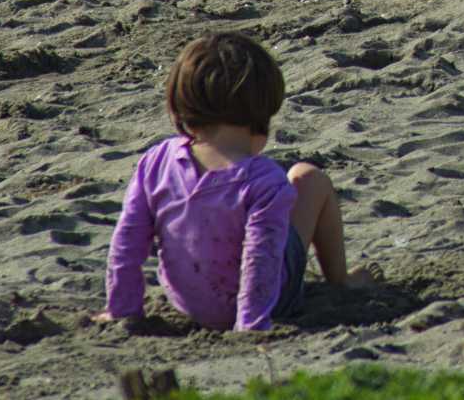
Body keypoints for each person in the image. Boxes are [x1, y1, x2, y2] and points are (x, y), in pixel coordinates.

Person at [97, 33, 370, 331]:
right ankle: (341, 280)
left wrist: (122, 309)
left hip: (190, 304)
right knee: (308, 178)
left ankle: (125, 308)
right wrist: (250, 324)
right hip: (264, 305)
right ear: (262, 113)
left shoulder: (156, 162)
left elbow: (128, 241)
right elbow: (260, 258)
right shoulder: (264, 180)